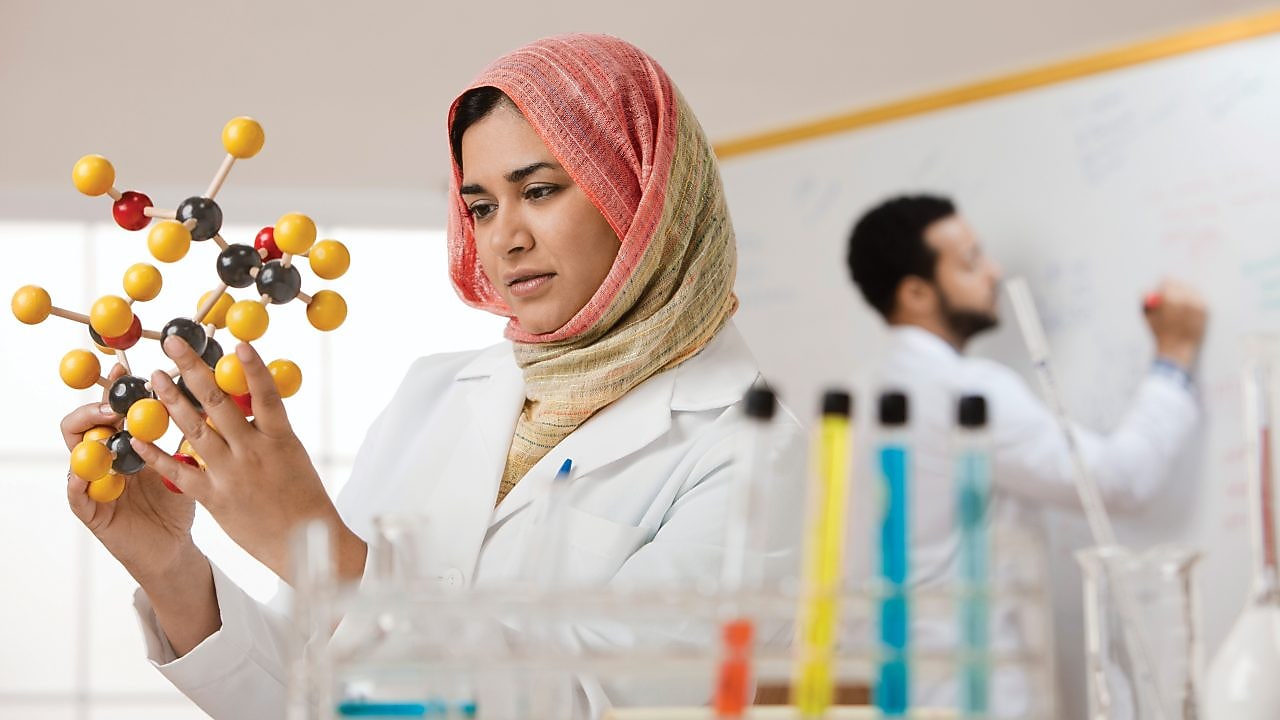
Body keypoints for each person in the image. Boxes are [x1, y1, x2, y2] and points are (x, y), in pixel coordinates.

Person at [58, 34, 803, 719]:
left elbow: (601, 705)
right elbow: (305, 694)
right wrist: (170, 568)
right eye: (480, 206)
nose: (504, 238)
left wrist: (315, 548)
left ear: (644, 193)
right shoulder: (435, 392)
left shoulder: (755, 452)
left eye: (540, 190)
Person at [845, 194, 1207, 714]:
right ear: (917, 292)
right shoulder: (966, 392)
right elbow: (1118, 481)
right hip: (970, 691)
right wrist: (1174, 356)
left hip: (889, 689)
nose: (993, 272)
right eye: (970, 262)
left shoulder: (861, 392)